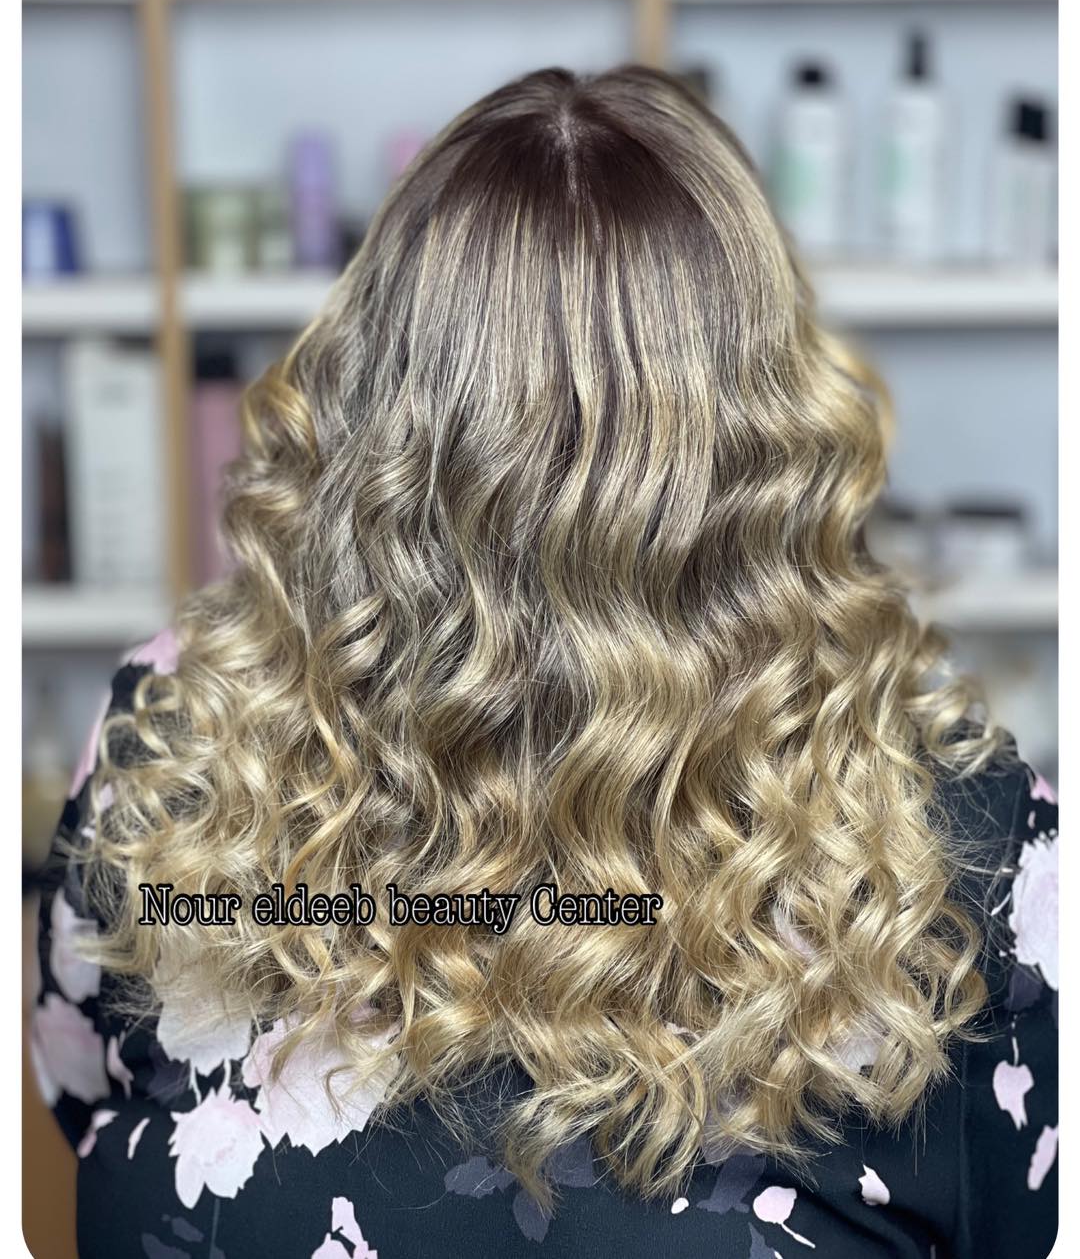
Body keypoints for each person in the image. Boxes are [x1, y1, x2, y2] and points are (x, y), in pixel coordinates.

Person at [31, 66, 1057, 1258]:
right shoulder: (975, 860)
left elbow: (77, 1092)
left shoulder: (170, 741)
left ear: (372, 389)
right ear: (770, 424)